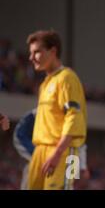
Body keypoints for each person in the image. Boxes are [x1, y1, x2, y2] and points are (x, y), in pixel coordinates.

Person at [26, 30, 87, 190]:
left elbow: (74, 118)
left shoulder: (67, 78)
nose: (31, 57)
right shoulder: (45, 83)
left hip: (66, 152)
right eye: (31, 53)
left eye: (37, 52)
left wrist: (57, 154)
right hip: (41, 151)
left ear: (53, 51)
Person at [13, 108, 89, 190]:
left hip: (68, 161)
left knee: (68, 186)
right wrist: (36, 155)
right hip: (41, 164)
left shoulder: (75, 115)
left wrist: (82, 167)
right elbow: (20, 134)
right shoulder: (42, 111)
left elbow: (79, 144)